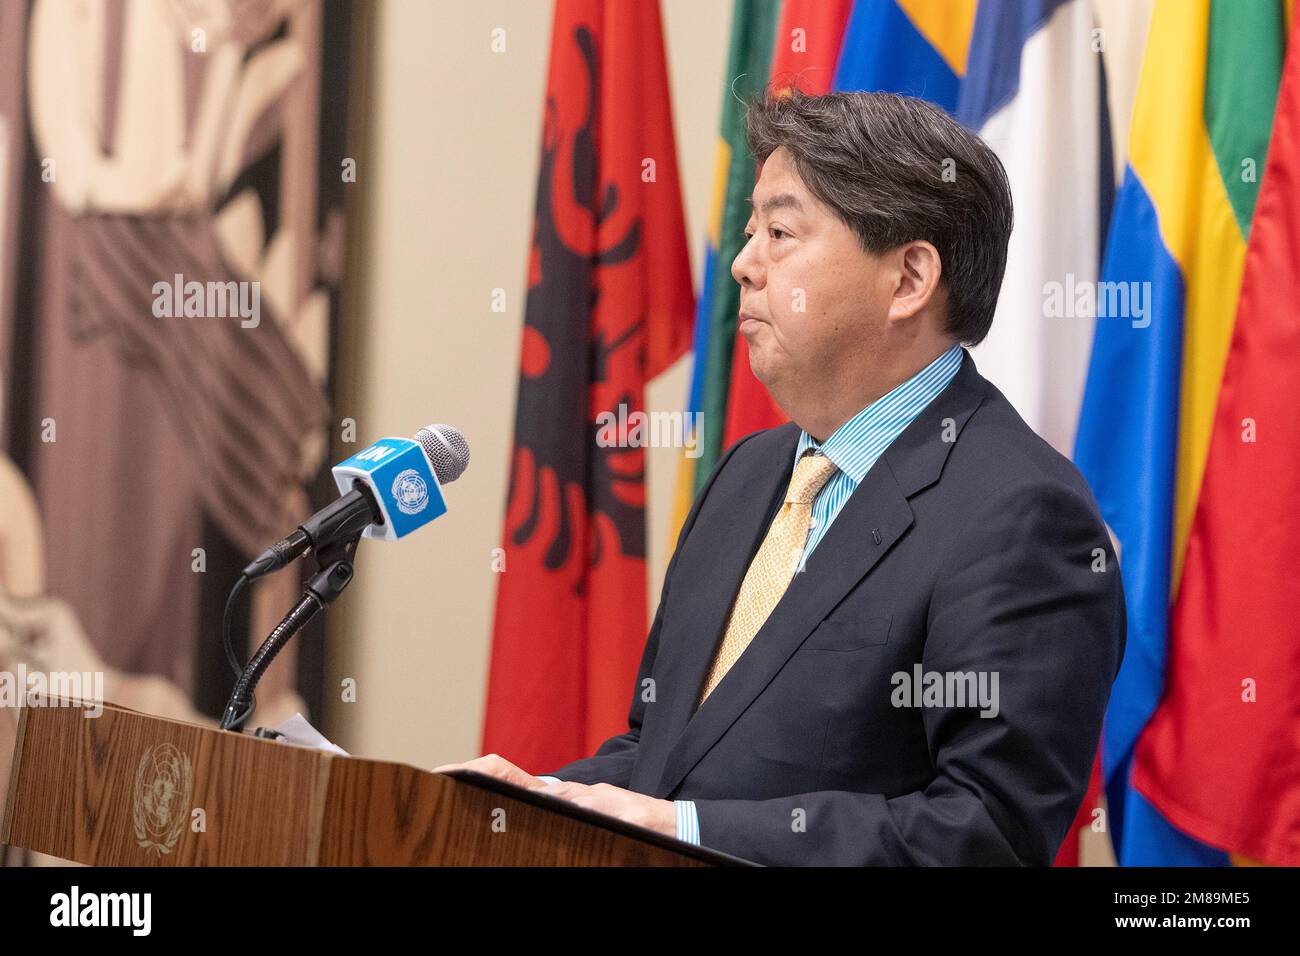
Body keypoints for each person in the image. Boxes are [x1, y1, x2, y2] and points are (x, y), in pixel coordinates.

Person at [436, 90, 1126, 866]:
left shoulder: (1020, 512)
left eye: (779, 232)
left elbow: (982, 834)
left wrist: (691, 830)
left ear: (908, 280)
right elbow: (664, 755)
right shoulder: (748, 474)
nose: (741, 263)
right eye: (748, 230)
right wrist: (523, 802)